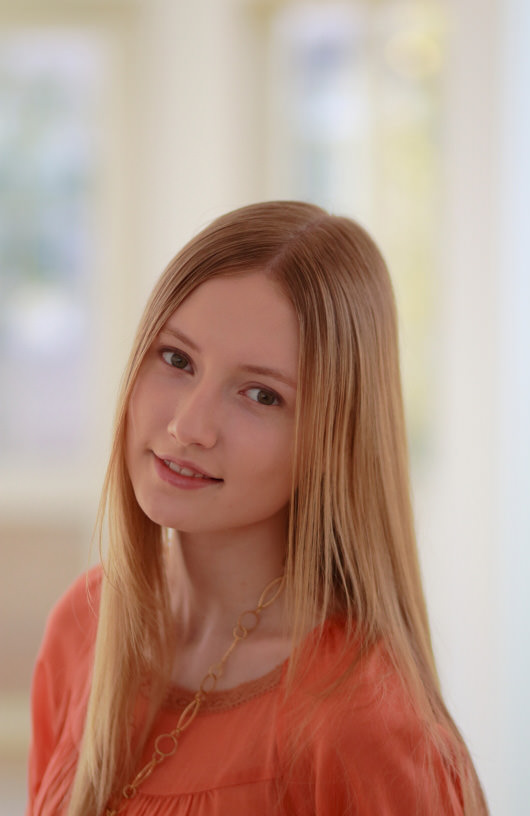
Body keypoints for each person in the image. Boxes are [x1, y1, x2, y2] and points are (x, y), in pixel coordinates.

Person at [26, 201, 488, 816]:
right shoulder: (82, 630)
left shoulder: (363, 727)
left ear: (332, 438)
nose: (189, 426)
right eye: (177, 359)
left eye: (261, 395)